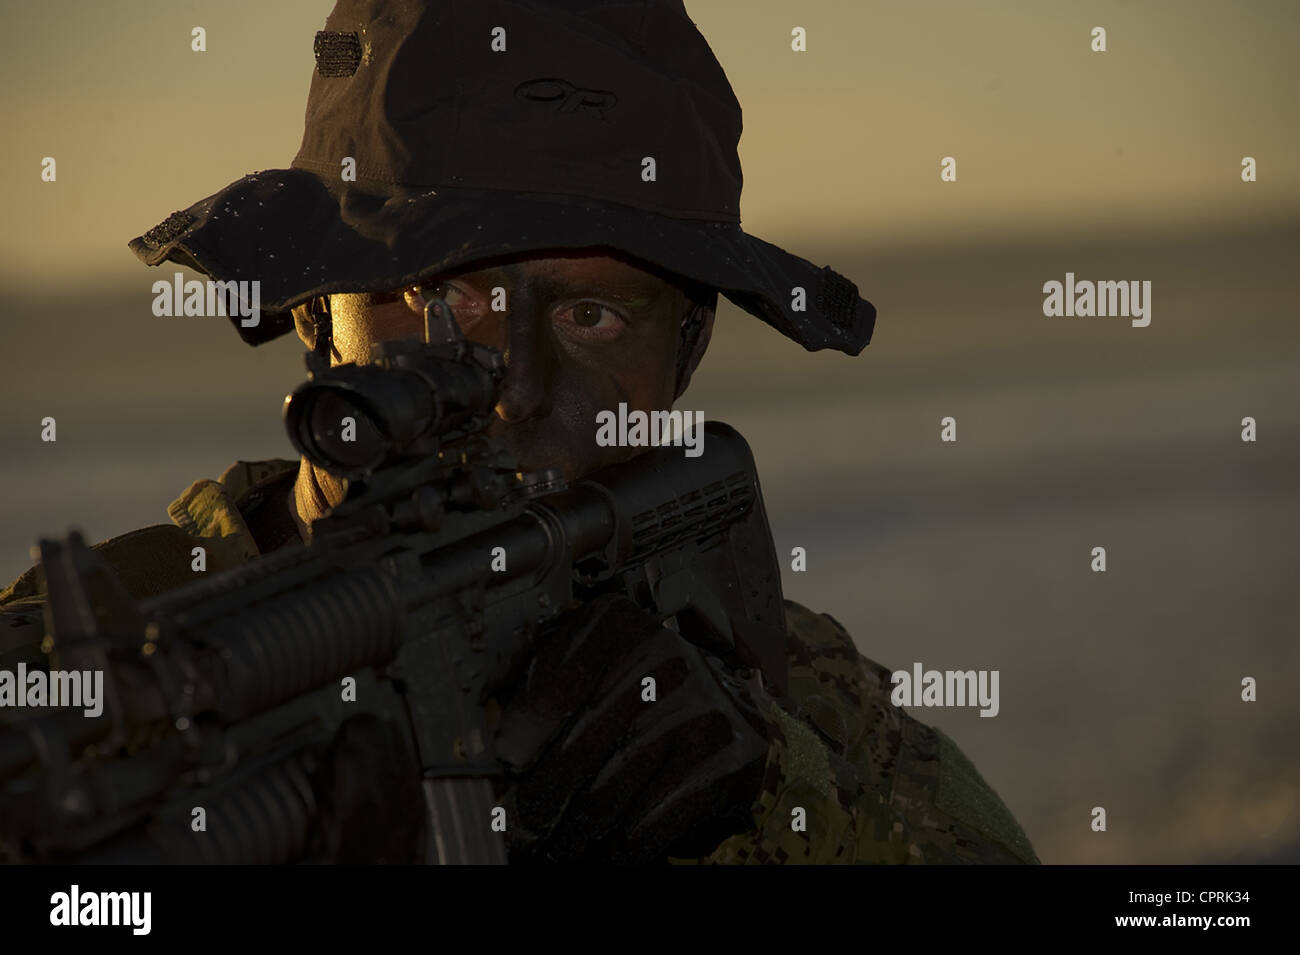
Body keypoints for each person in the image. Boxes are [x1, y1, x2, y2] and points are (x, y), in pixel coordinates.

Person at [0, 0, 1038, 864]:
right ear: (316, 314)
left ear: (685, 352)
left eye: (593, 315)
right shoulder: (56, 674)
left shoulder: (781, 704)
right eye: (435, 304)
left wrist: (768, 809)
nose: (514, 391)